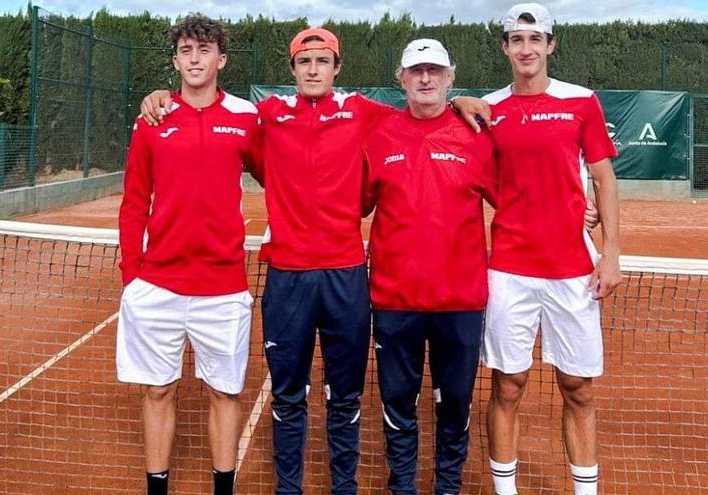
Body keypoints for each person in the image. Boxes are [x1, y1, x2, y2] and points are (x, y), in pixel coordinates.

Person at [139, 27, 491, 495]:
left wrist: (462, 100)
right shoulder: (265, 115)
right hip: (287, 276)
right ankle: (290, 488)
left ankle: (341, 487)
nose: (313, 70)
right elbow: (206, 104)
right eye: (304, 62)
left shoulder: (362, 112)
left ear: (336, 68)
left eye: (322, 61)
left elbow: (422, 109)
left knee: (344, 398)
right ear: (292, 70)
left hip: (346, 277)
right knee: (289, 397)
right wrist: (161, 95)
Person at [480, 4, 622, 495]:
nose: (526, 48)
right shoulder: (489, 108)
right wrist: (460, 101)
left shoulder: (582, 102)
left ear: (550, 45)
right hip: (510, 270)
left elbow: (603, 177)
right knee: (508, 385)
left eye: (535, 39)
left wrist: (611, 254)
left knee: (578, 389)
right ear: (505, 47)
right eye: (516, 39)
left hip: (572, 270)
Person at [116, 13, 257, 495]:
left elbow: (280, 179)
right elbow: (134, 201)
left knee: (224, 392)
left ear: (221, 58)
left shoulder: (245, 118)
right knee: (157, 390)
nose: (194, 59)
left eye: (203, 50)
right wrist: (131, 275)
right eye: (185, 51)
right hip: (157, 286)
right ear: (176, 59)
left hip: (223, 288)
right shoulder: (152, 118)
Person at [362, 39, 496, 495]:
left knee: (455, 404)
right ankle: (402, 486)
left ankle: (448, 486)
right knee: (397, 403)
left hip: (459, 302)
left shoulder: (476, 136)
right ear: (401, 78)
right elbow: (355, 203)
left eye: (434, 71)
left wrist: (576, 209)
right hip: (394, 301)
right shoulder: (378, 134)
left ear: (450, 77)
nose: (425, 79)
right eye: (416, 71)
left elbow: (518, 200)